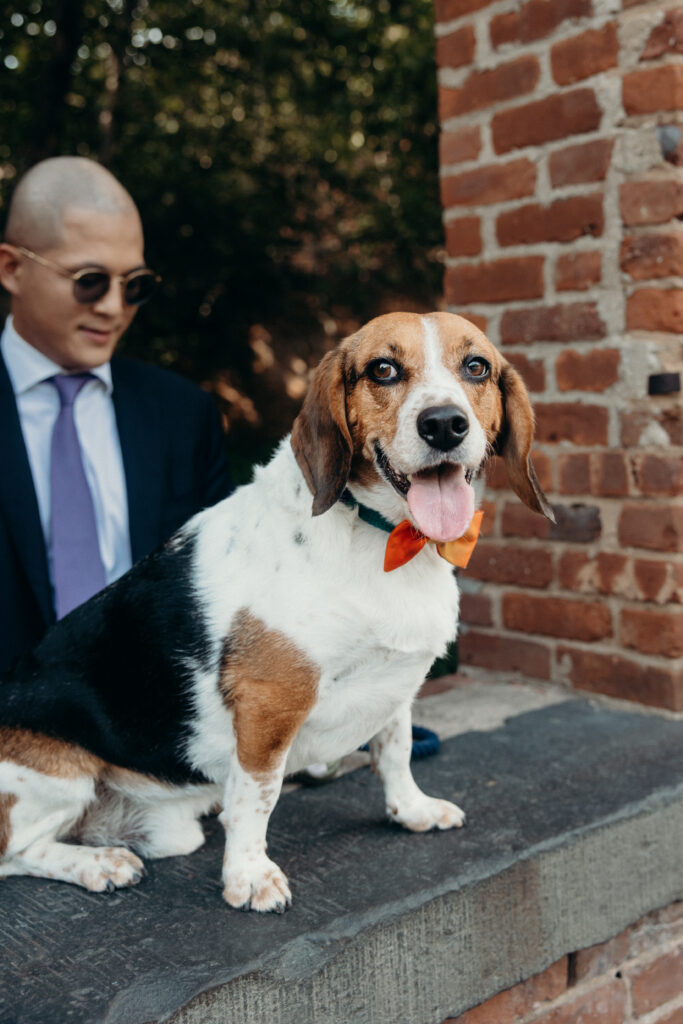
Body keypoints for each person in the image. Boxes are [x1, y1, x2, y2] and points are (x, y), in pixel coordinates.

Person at [0, 156, 233, 673]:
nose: (113, 307)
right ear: (12, 268)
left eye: (134, 285)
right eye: (89, 280)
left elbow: (231, 586)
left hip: (153, 734)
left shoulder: (182, 414)